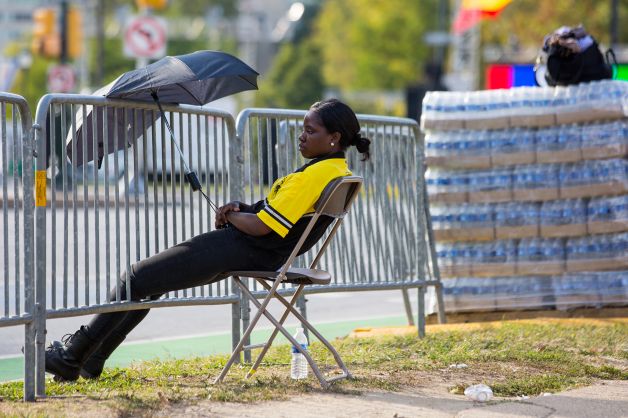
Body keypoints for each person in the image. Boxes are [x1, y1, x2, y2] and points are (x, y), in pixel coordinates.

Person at [45, 98, 371, 381]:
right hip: (260, 252)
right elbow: (276, 215)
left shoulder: (314, 175)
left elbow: (262, 226)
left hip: (245, 249)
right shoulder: (336, 172)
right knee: (148, 283)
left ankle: (74, 355)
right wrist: (241, 209)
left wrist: (232, 216)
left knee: (136, 277)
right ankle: (92, 359)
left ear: (335, 138)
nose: (302, 136)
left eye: (310, 131)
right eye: (303, 128)